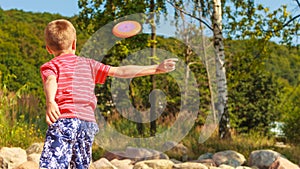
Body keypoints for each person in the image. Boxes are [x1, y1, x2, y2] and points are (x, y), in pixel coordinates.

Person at [39, 19, 177, 169]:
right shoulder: (89, 64)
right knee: (80, 165)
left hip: (64, 120)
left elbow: (51, 80)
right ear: (74, 43)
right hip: (87, 123)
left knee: (52, 164)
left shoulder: (51, 66)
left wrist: (51, 101)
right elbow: (121, 71)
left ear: (48, 49)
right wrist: (156, 67)